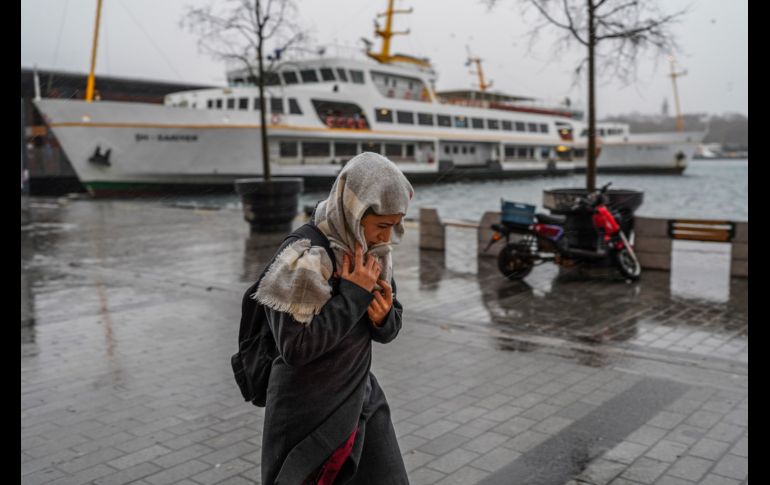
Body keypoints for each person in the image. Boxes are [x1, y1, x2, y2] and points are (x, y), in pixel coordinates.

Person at [254, 152, 414, 484]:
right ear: (356, 213)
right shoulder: (303, 256)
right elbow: (296, 348)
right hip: (310, 413)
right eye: (382, 225)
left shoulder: (371, 251)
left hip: (360, 398)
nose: (388, 237)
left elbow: (388, 326)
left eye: (396, 225)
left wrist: (385, 317)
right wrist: (354, 295)